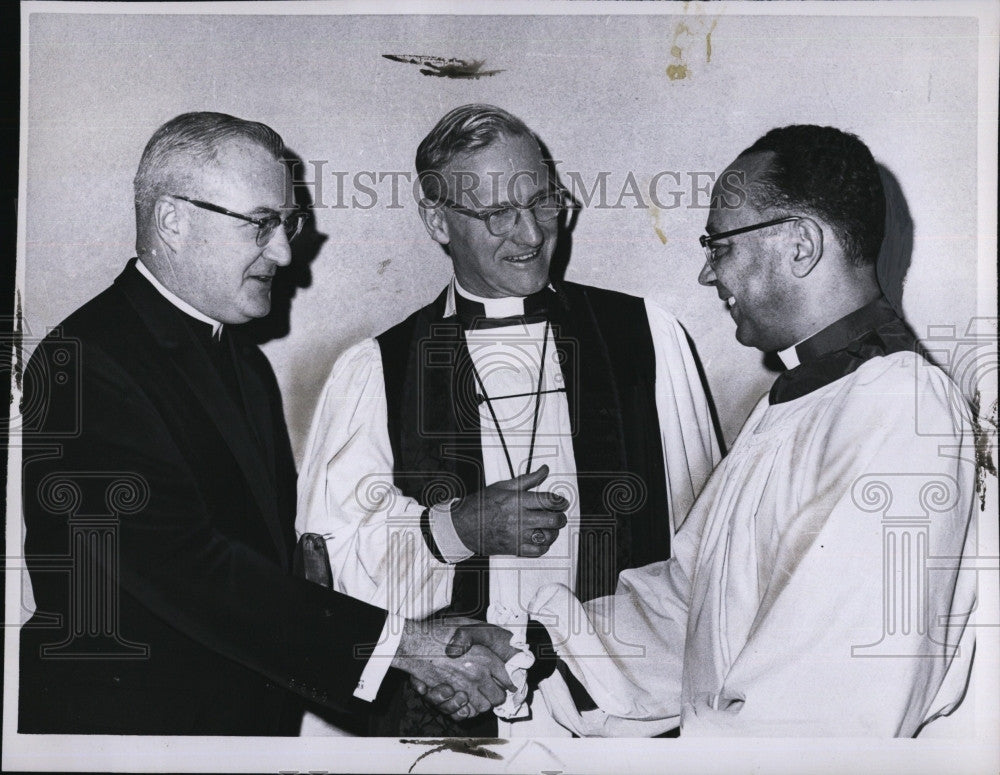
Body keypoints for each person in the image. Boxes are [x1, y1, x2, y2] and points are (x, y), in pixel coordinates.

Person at [442, 124, 978, 736]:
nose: (705, 273)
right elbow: (689, 603)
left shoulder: (897, 406)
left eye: (719, 245)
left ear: (800, 245)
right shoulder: (799, 400)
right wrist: (537, 649)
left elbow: (829, 706)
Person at [17, 111, 517, 736]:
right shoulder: (83, 362)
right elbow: (189, 571)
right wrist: (400, 644)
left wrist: (405, 633)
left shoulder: (245, 363)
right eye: (261, 224)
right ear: (173, 220)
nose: (284, 251)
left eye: (288, 224)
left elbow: (258, 567)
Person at [296, 104, 721, 736]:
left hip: (623, 721)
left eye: (544, 202)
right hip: (448, 727)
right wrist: (454, 530)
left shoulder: (647, 340)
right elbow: (328, 593)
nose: (530, 234)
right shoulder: (375, 371)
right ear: (436, 220)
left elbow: (709, 552)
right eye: (497, 213)